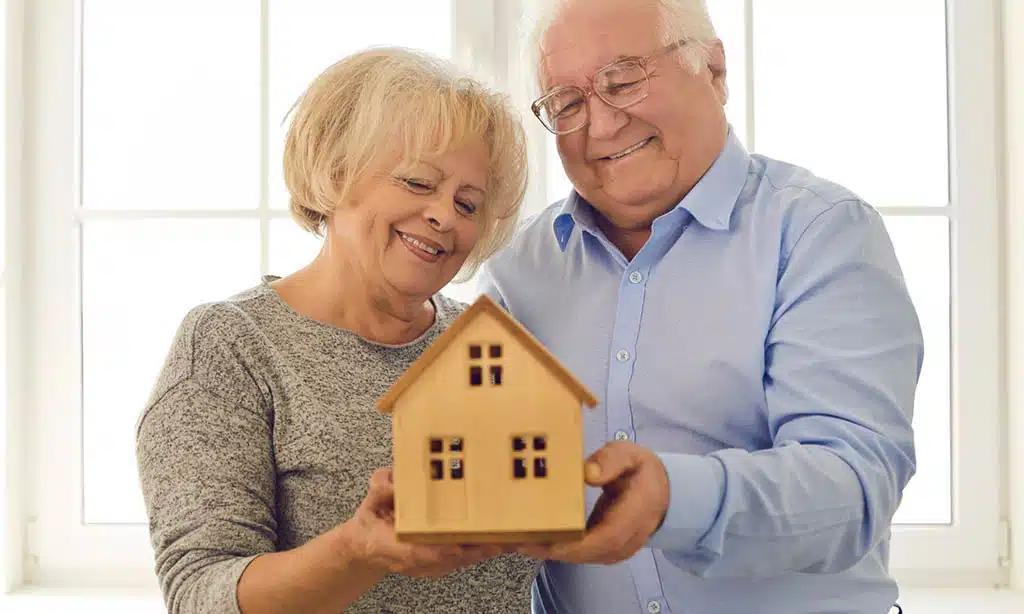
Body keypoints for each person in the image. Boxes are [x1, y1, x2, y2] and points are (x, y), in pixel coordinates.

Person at [481, 0, 924, 612]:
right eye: (568, 103)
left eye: (623, 80)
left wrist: (673, 499)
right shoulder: (515, 268)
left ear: (713, 69)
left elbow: (854, 486)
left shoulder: (818, 232)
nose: (601, 125)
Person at [135, 47, 539, 614]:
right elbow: (201, 594)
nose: (445, 217)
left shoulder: (485, 347)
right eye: (420, 182)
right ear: (337, 171)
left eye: (468, 204)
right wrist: (358, 550)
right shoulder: (233, 345)